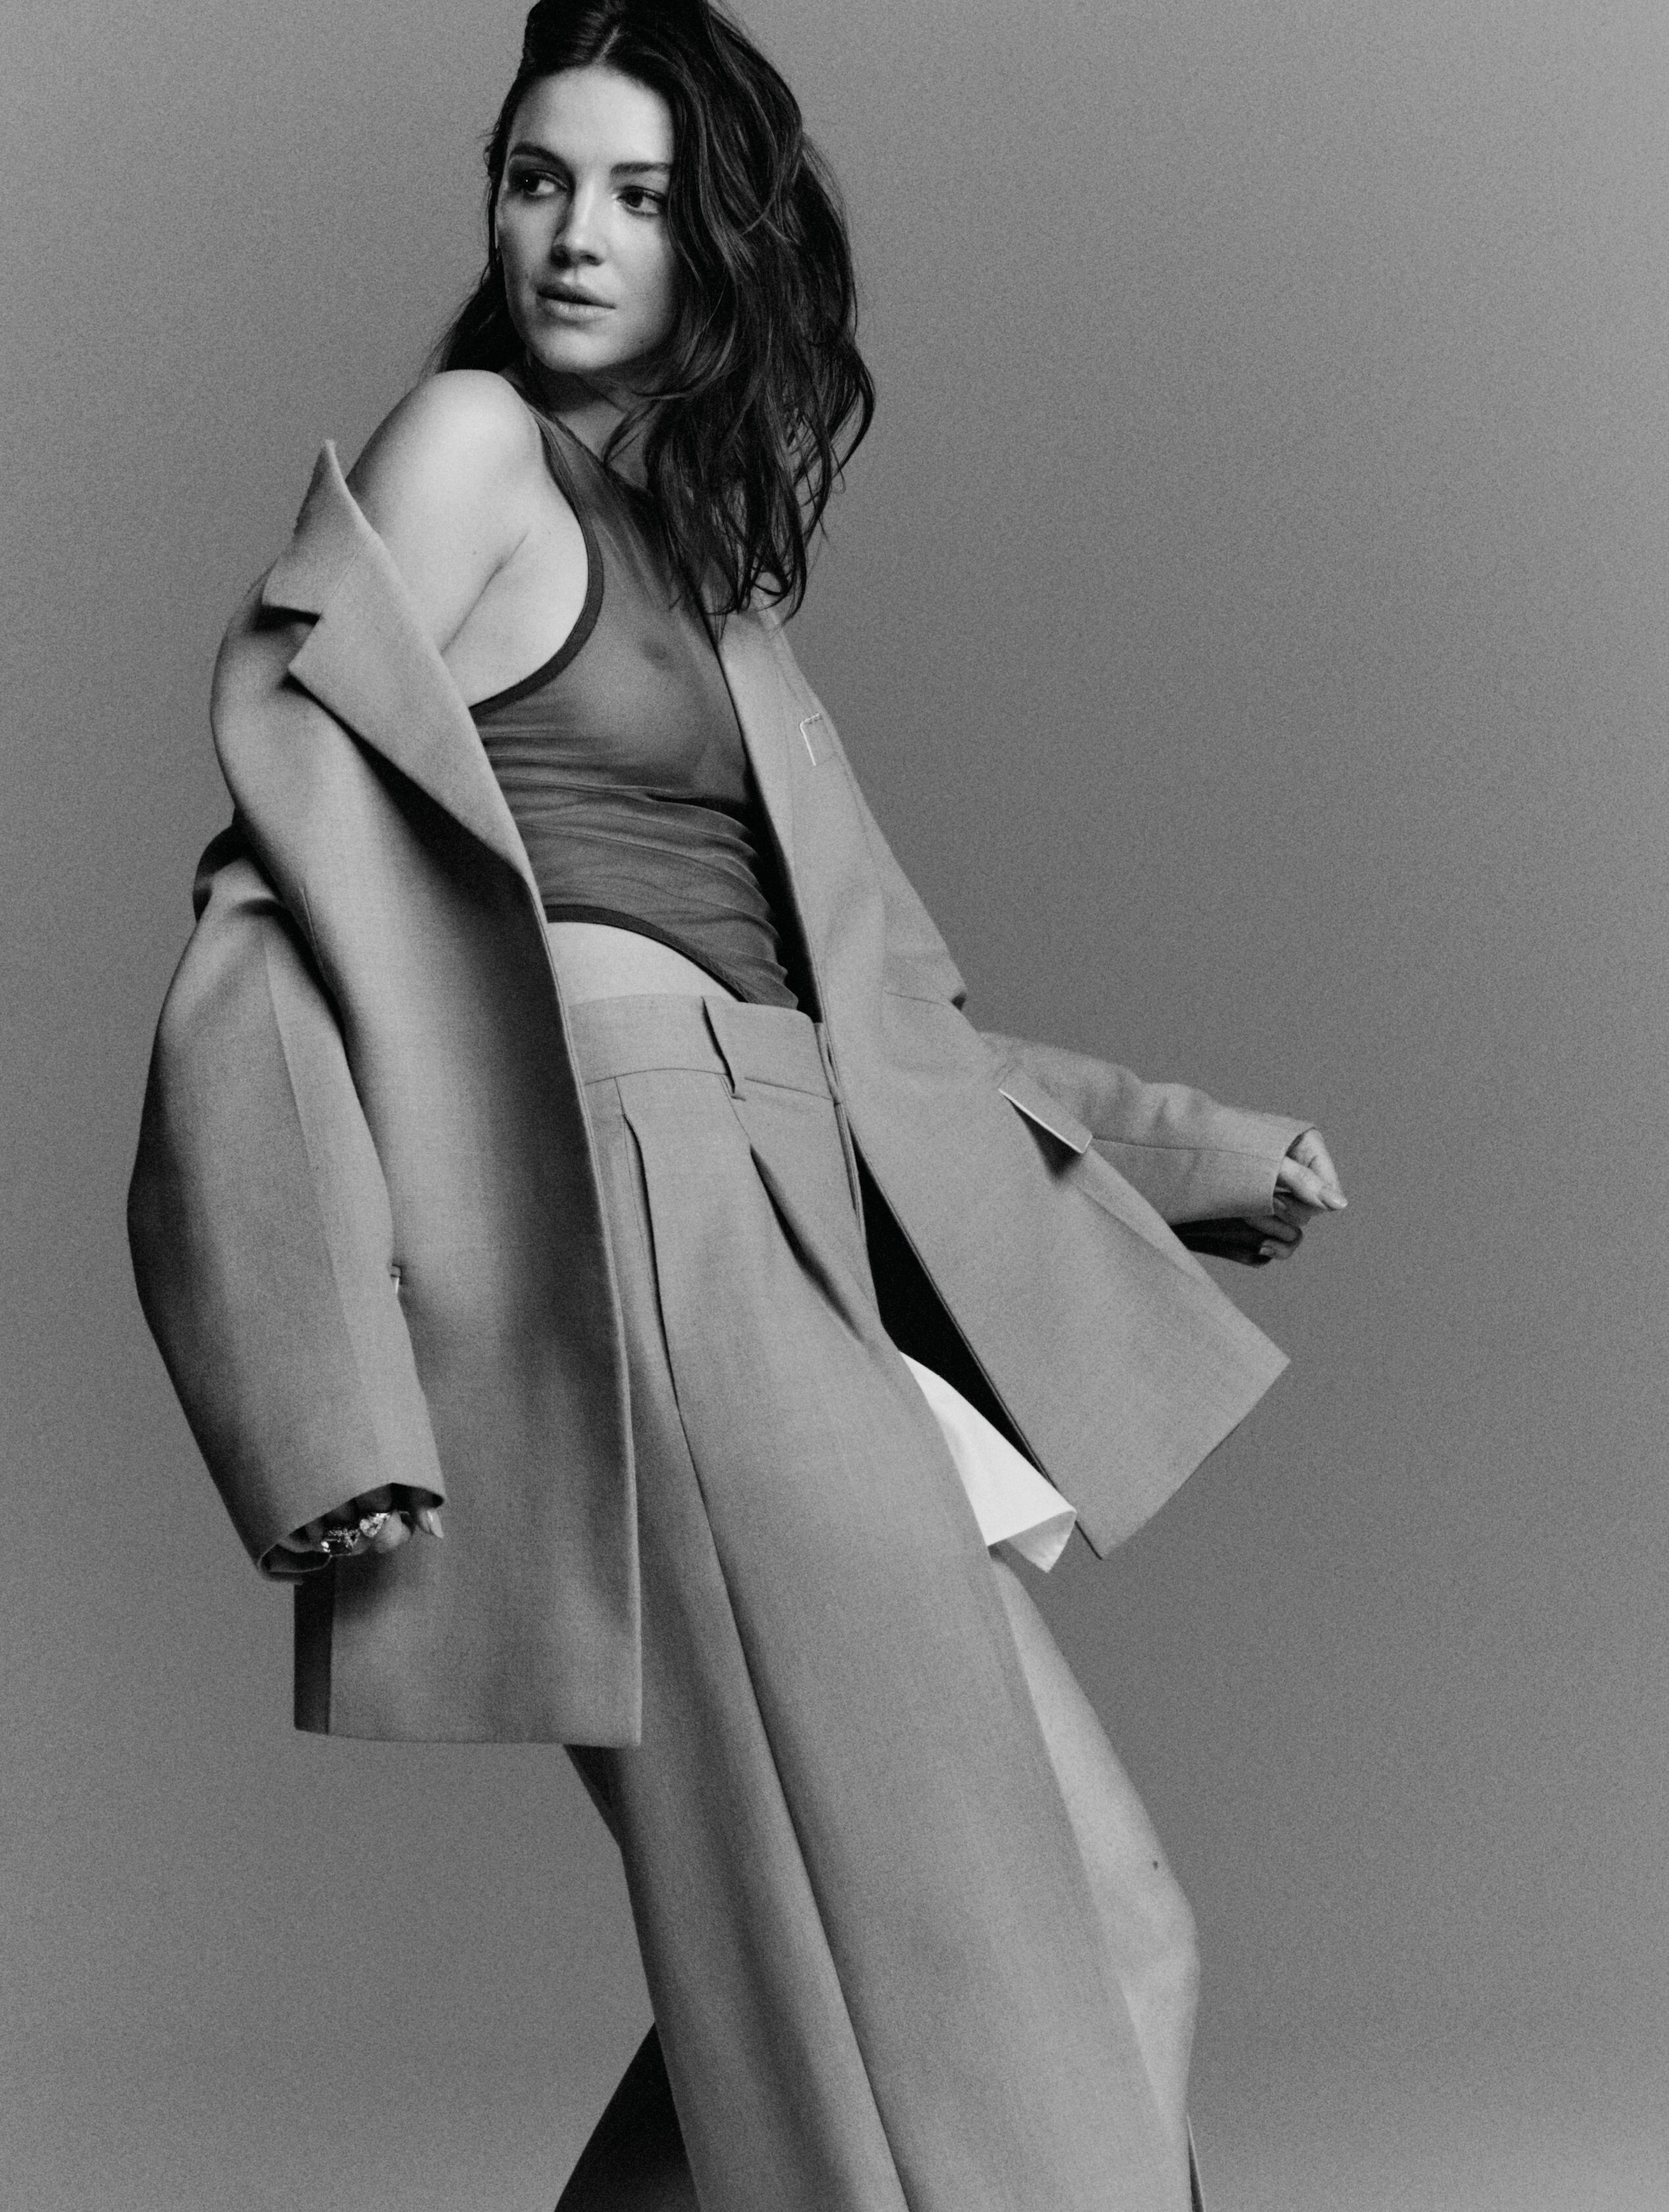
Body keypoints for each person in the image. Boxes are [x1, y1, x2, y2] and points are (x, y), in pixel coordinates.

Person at [128, 3, 1346, 2206]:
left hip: (777, 1236)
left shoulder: (704, 575)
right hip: (637, 1243)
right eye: (536, 179)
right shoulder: (470, 445)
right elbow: (266, 898)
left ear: (723, 240)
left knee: (935, 1953)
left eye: (641, 193)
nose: (573, 236)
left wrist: (1169, 1150)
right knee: (996, 1963)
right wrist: (310, 1387)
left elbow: (860, 1016)